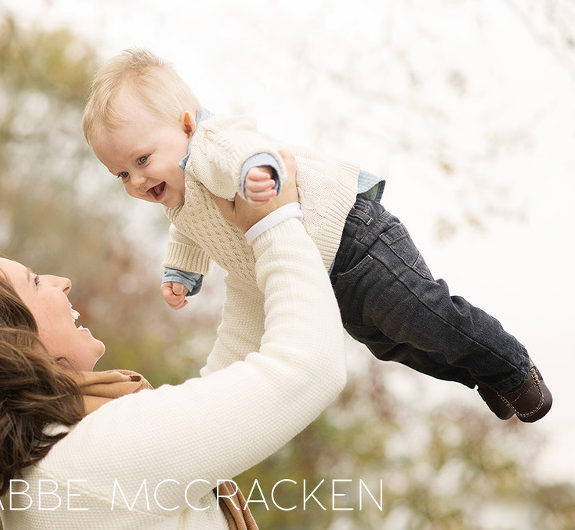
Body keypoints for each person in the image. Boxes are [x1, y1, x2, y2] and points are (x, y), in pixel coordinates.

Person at [0, 152, 349, 528]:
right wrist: (275, 221)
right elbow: (306, 370)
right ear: (7, 342)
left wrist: (240, 245)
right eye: (36, 281)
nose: (61, 281)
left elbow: (229, 389)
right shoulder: (86, 464)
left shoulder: (57, 468)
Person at [81, 48, 552, 423]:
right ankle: (482, 371)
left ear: (186, 124)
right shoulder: (181, 203)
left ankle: (512, 367)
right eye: (121, 174)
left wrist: (255, 175)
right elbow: (189, 236)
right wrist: (182, 274)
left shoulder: (210, 145)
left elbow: (247, 151)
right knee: (394, 345)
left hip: (353, 235)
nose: (137, 182)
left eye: (141, 160)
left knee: (420, 315)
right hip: (329, 277)